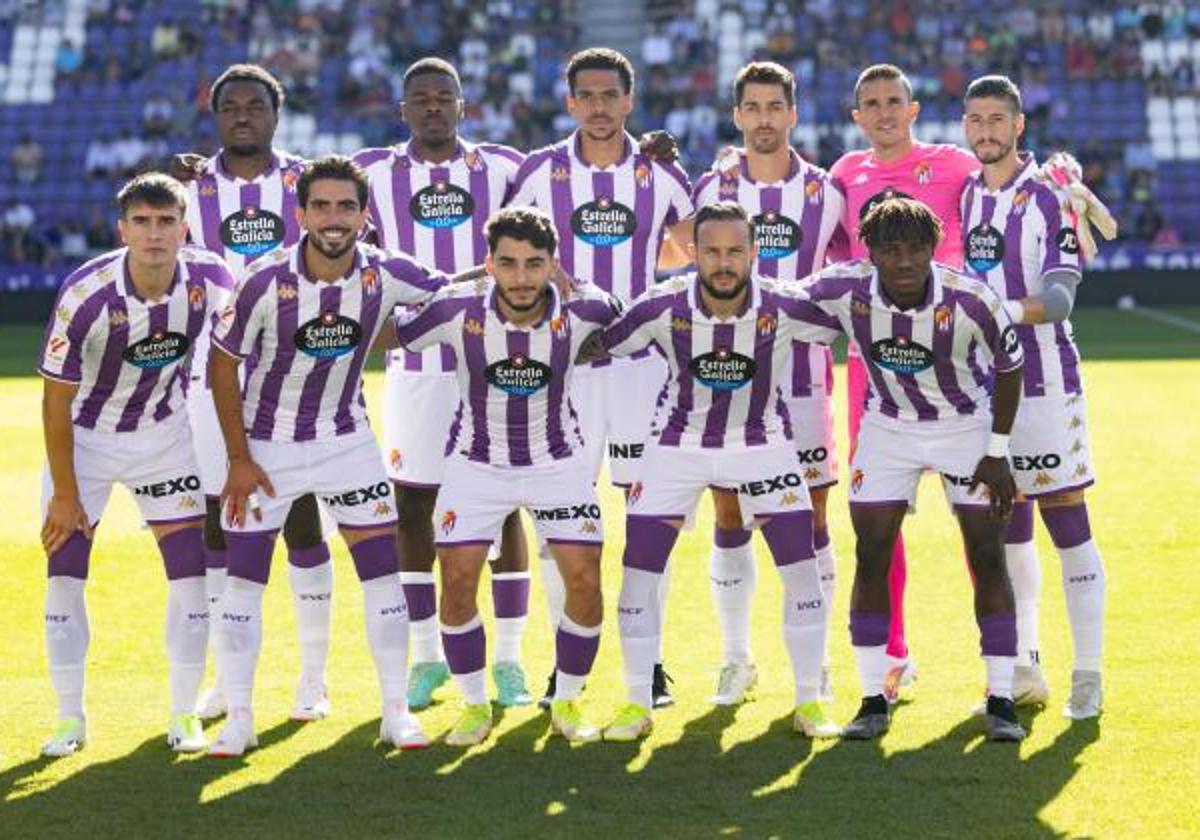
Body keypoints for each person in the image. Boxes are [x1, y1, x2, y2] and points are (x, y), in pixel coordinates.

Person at [205, 156, 446, 756]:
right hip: (267, 449)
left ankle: (396, 714)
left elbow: (461, 290)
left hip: (347, 442)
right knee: (243, 585)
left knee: (382, 577)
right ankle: (240, 719)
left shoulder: (387, 272)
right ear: (301, 212)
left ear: (365, 216)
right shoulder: (263, 280)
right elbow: (221, 366)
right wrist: (237, 458)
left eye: (345, 207)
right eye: (321, 206)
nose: (333, 218)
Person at [598, 203, 840, 742]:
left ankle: (810, 701)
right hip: (675, 446)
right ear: (693, 253)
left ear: (754, 253)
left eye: (735, 251)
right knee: (639, 571)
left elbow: (843, 324)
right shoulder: (662, 304)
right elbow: (604, 340)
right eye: (712, 251)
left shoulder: (783, 304)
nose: (723, 263)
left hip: (765, 444)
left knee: (800, 569)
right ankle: (637, 702)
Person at [798, 197, 1027, 742]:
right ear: (870, 252)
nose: (904, 261)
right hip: (888, 428)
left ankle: (1001, 698)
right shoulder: (844, 288)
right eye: (890, 249)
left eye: (915, 248)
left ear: (933, 248)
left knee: (988, 554)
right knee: (872, 554)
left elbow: (1010, 365)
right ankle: (873, 697)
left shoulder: (971, 298)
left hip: (964, 424)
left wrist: (996, 452)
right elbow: (780, 301)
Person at [509, 47, 694, 707]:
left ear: (628, 100)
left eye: (609, 94)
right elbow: (504, 255)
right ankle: (569, 661)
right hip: (565, 377)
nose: (597, 106)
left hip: (645, 375)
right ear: (570, 103)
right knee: (560, 518)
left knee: (648, 519)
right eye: (585, 95)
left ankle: (649, 664)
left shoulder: (661, 175)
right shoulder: (539, 174)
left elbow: (695, 249)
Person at [394, 207, 620, 745]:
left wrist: (576, 284)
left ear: (553, 265)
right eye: (508, 263)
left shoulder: (583, 307)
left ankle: (566, 699)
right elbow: (400, 330)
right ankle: (474, 705)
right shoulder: (456, 307)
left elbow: (619, 318)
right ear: (488, 264)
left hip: (557, 464)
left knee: (585, 581)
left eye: (535, 264)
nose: (521, 277)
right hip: (475, 465)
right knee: (457, 581)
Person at [351, 58, 534, 711]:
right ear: (402, 110)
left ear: (464, 105)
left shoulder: (506, 168)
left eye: (444, 97)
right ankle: (427, 658)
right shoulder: (371, 172)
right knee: (414, 509)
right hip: (416, 372)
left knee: (507, 503)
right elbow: (296, 183)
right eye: (420, 99)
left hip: (497, 366)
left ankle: (508, 661)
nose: (433, 107)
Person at [37, 173, 235, 756]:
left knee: (191, 580)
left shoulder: (213, 279)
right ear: (122, 230)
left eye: (165, 221)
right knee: (65, 579)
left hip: (164, 438)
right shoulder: (86, 294)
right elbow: (55, 400)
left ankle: (183, 714)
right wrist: (66, 494)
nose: (154, 234)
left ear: (185, 227)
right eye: (142, 223)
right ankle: (70, 718)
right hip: (86, 443)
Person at [174, 63, 336, 723]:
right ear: (215, 114)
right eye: (231, 106)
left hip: (296, 374)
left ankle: (313, 678)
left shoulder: (310, 182)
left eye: (255, 105)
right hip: (211, 375)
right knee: (220, 517)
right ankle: (225, 673)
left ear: (277, 111)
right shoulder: (188, 189)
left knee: (299, 518)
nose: (243, 115)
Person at [685, 61, 846, 706]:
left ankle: (819, 661)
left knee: (811, 518)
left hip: (804, 382)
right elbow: (684, 258)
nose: (763, 119)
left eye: (774, 106)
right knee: (729, 513)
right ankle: (736, 658)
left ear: (793, 114)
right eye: (752, 108)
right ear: (737, 116)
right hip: (726, 383)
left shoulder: (825, 192)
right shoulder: (713, 187)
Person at [829, 64, 981, 699]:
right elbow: (830, 255)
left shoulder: (954, 167)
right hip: (876, 370)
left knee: (984, 519)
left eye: (895, 101)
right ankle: (892, 656)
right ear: (857, 116)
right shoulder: (844, 176)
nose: (885, 112)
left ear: (913, 110)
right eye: (872, 104)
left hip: (954, 368)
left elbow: (997, 212)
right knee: (876, 520)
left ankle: (1008, 655)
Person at [960, 75, 1105, 719]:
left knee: (1068, 525)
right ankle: (1025, 663)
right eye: (975, 120)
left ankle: (1089, 674)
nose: (986, 130)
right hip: (989, 394)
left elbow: (1062, 298)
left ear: (1019, 125)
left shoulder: (1048, 196)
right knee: (1008, 531)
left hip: (1047, 389)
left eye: (998, 119)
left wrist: (995, 311)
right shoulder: (966, 195)